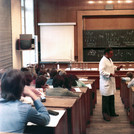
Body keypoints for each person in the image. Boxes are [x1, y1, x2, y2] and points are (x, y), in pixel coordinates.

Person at [99, 47, 122, 121]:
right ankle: (105, 115)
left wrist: (117, 68)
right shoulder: (103, 61)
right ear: (106, 53)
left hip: (110, 82)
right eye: (111, 53)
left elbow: (111, 67)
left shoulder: (109, 59)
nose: (112, 55)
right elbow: (101, 72)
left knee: (111, 98)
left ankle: (112, 112)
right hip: (106, 82)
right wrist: (110, 74)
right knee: (106, 99)